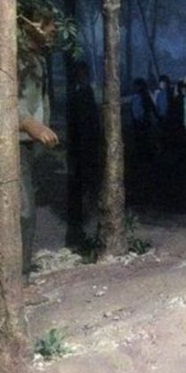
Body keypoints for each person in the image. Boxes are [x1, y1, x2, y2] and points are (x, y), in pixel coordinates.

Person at [17, 4, 61, 278]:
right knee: (22, 211)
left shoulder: (37, 60)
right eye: (48, 23)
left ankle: (21, 276)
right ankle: (17, 280)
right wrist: (29, 123)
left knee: (26, 210)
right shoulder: (12, 58)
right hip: (12, 142)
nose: (53, 29)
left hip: (27, 144)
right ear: (30, 25)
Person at [66, 61, 101, 247]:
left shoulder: (86, 93)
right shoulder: (76, 94)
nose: (82, 76)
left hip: (88, 144)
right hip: (79, 145)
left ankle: (90, 217)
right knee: (80, 182)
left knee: (89, 181)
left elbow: (93, 120)